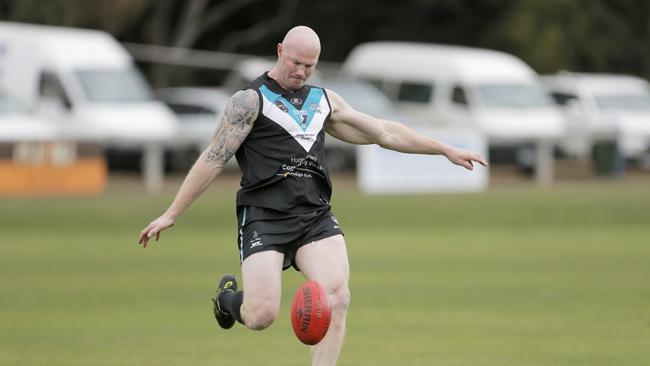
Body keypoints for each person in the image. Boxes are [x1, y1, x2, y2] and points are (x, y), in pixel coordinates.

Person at [138, 25, 487, 366]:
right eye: (295, 63)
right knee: (261, 315)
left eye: (310, 65)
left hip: (314, 217)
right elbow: (213, 158)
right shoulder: (249, 101)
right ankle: (228, 301)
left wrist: (443, 149)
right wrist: (172, 213)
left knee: (337, 297)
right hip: (264, 216)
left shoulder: (324, 102)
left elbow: (384, 132)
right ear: (280, 52)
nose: (301, 72)